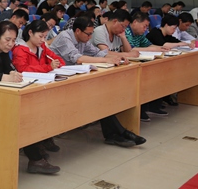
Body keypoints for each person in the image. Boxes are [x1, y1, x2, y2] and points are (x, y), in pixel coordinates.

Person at [50, 17, 146, 148]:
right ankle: (119, 133)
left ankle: (116, 134)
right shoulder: (65, 37)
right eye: (88, 34)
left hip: (75, 77)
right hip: (59, 82)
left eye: (91, 34)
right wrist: (106, 60)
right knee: (99, 98)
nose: (90, 37)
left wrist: (118, 57)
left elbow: (97, 53)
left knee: (101, 97)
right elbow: (78, 58)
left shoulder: (83, 39)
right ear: (78, 31)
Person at [12, 20, 65, 174]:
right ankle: (36, 144)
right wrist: (47, 67)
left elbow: (59, 61)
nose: (43, 40)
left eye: (45, 37)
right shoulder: (20, 50)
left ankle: (44, 139)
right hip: (27, 89)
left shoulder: (42, 48)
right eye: (40, 36)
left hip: (42, 86)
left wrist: (54, 64)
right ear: (30, 33)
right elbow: (23, 69)